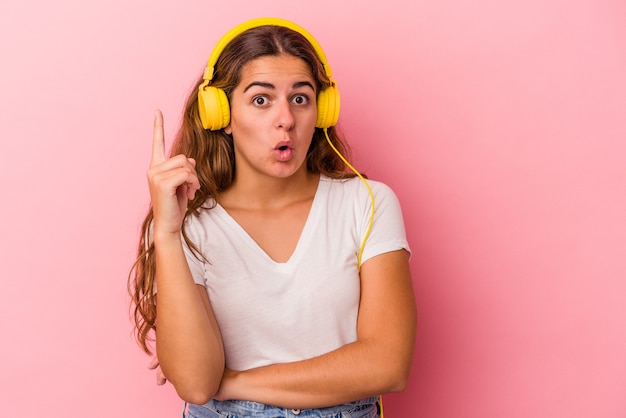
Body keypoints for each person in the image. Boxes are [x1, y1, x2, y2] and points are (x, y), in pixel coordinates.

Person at [128, 17, 417, 418]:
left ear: (321, 111)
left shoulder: (366, 204)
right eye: (261, 100)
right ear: (222, 115)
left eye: (300, 98)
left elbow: (387, 365)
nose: (286, 119)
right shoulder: (184, 223)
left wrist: (233, 383)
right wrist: (167, 231)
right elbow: (195, 383)